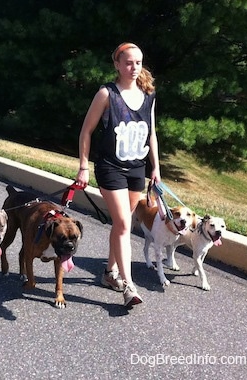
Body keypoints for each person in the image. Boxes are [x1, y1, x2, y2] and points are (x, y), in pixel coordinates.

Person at [74, 42, 161, 308]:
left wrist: (155, 167)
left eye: (138, 62)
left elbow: (152, 134)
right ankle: (129, 286)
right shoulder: (106, 94)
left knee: (122, 225)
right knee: (124, 224)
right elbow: (86, 131)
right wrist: (83, 166)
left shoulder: (149, 95)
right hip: (110, 167)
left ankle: (110, 273)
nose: (134, 68)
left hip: (137, 169)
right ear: (117, 64)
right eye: (128, 63)